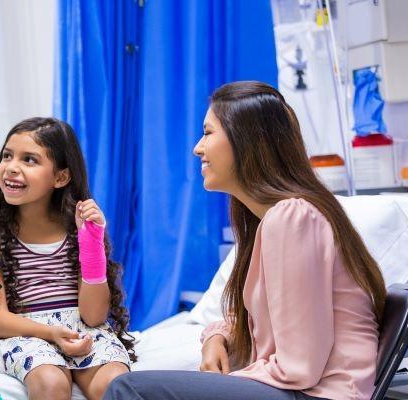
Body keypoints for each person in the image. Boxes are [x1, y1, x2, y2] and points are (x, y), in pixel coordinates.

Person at [105, 81, 386, 400]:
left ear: (245, 140)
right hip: (301, 391)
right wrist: (216, 337)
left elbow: (300, 366)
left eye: (208, 132)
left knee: (128, 388)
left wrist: (234, 379)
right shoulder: (270, 222)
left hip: (321, 394)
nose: (198, 147)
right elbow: (252, 317)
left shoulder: (293, 219)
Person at [0, 117, 136, 400]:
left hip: (80, 328)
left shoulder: (79, 227)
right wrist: (53, 334)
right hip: (21, 332)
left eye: (29, 160)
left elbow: (93, 316)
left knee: (115, 383)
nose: (11, 167)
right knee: (51, 382)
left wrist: (90, 241)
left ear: (60, 177)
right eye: (7, 156)